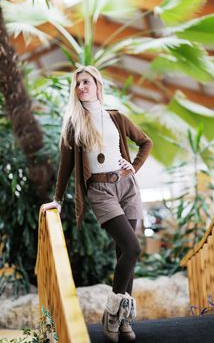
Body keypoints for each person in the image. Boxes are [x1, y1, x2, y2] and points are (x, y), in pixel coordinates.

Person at [42, 65, 153, 342]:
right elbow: (65, 167)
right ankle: (112, 315)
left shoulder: (115, 117)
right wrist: (57, 200)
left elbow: (145, 142)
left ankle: (122, 319)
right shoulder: (74, 124)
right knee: (132, 247)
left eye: (86, 82)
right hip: (100, 190)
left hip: (127, 186)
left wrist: (134, 167)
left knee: (124, 254)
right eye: (77, 83)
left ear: (97, 85)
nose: (81, 87)